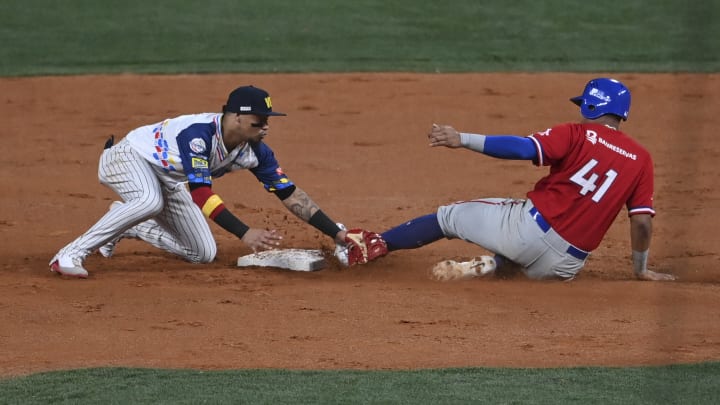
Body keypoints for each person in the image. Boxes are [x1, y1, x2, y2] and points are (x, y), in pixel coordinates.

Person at [351, 78, 676, 282]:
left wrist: (462, 138)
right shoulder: (641, 159)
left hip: (527, 229)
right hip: (563, 266)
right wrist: (640, 270)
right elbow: (643, 223)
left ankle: (374, 244)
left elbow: (523, 148)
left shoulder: (576, 133)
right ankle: (491, 266)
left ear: (592, 105)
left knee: (446, 217)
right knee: (523, 264)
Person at [50, 85, 371, 278]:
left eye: (267, 121)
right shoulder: (199, 135)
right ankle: (69, 254)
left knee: (201, 252)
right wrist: (245, 232)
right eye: (259, 121)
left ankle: (130, 224)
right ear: (236, 117)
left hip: (164, 178)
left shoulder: (256, 152)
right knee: (150, 201)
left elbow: (290, 194)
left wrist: (337, 233)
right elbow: (201, 193)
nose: (265, 127)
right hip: (127, 159)